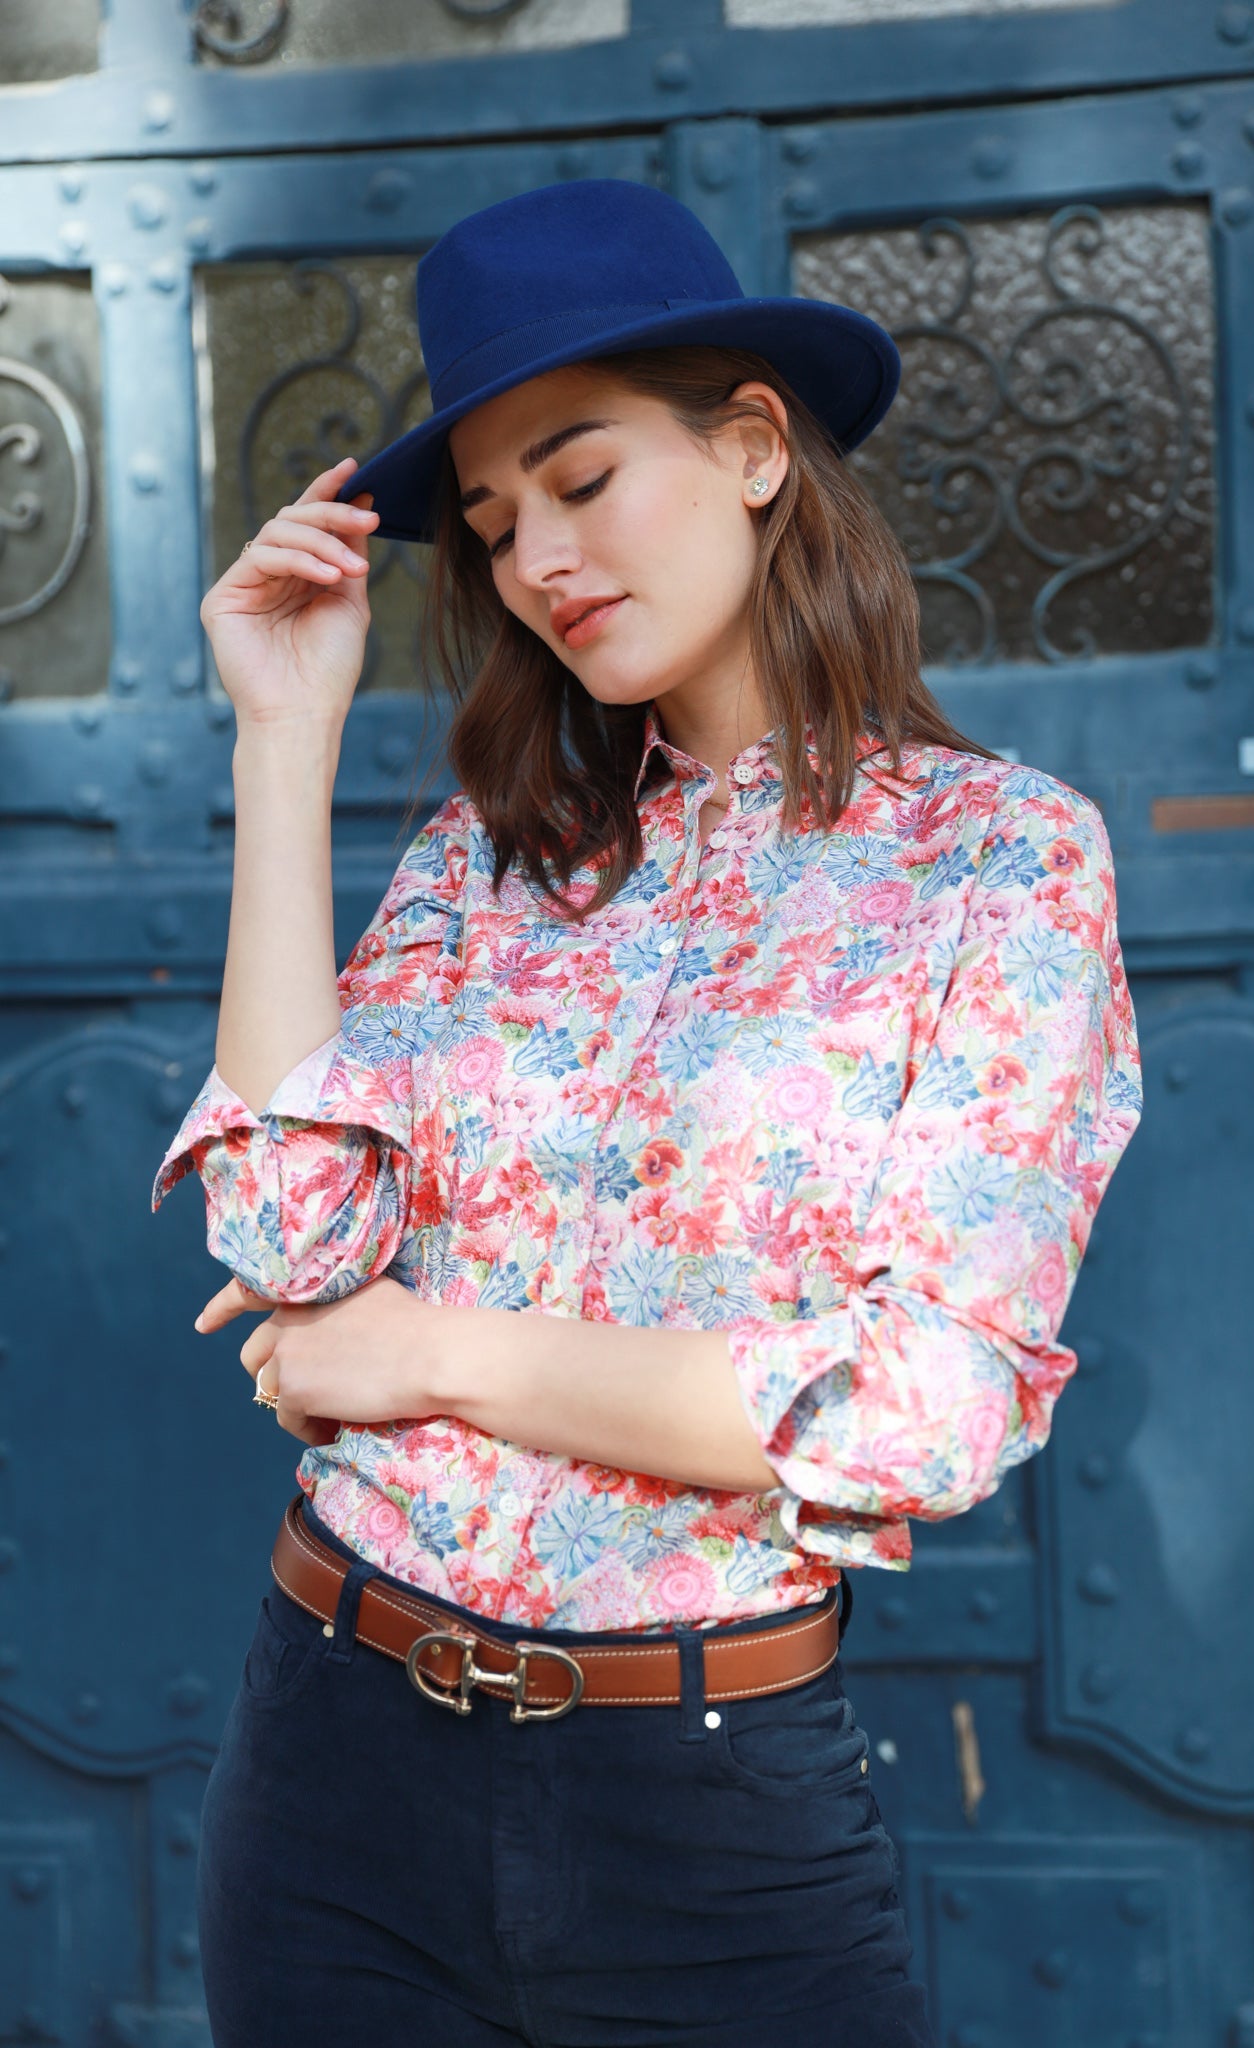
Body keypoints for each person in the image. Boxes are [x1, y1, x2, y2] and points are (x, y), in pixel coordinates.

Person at [151, 178, 1142, 2048]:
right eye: (497, 518)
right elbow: (289, 1243)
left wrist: (427, 1350)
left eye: (583, 476)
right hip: (331, 1762)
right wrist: (281, 739)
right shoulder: (486, 859)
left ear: (755, 448)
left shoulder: (997, 865)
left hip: (702, 1805)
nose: (537, 556)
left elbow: (918, 1408)